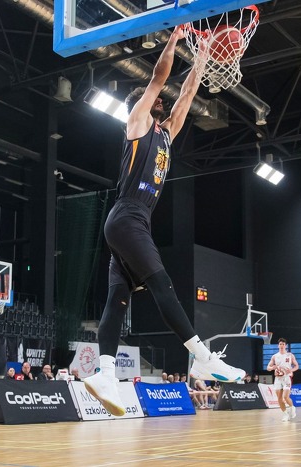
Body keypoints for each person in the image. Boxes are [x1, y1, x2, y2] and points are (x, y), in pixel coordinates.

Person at [82, 27, 245, 417]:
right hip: (127, 217)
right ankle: (202, 358)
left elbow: (186, 94)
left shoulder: (166, 134)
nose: (160, 99)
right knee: (161, 284)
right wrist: (174, 39)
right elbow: (158, 78)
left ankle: (105, 375)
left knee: (117, 300)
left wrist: (202, 56)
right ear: (141, 104)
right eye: (153, 97)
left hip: (133, 223)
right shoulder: (137, 123)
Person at [266, 338, 299, 422]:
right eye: (280, 344)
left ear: (285, 346)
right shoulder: (275, 356)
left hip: (287, 378)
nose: (281, 346)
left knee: (285, 397)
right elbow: (268, 367)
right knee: (279, 399)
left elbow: (296, 366)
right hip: (278, 379)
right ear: (278, 346)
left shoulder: (290, 355)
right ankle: (285, 414)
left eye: (283, 344)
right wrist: (272, 368)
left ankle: (292, 407)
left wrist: (291, 370)